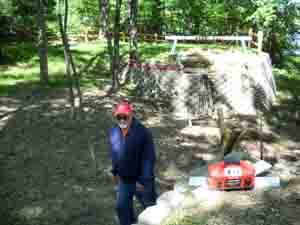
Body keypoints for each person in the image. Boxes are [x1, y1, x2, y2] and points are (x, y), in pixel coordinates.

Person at [108, 100, 157, 225]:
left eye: (125, 117)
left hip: (141, 180)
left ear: (131, 115)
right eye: (119, 117)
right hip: (125, 178)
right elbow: (115, 153)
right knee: (122, 208)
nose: (122, 120)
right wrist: (115, 171)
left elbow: (149, 158)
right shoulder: (113, 131)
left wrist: (144, 180)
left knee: (151, 208)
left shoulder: (143, 133)